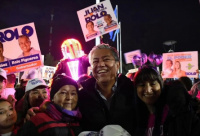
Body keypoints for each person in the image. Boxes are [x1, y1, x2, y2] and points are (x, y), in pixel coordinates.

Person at [78, 44, 136, 135]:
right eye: (95, 61)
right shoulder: (81, 96)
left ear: (117, 65)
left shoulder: (133, 91)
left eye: (106, 59)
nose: (100, 64)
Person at [133, 65, 200, 136]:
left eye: (153, 84)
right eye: (142, 85)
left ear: (161, 85)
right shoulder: (135, 117)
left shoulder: (177, 113)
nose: (148, 90)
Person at [16, 74, 82, 136]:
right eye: (63, 93)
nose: (41, 96)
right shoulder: (36, 120)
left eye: (73, 93)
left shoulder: (81, 117)